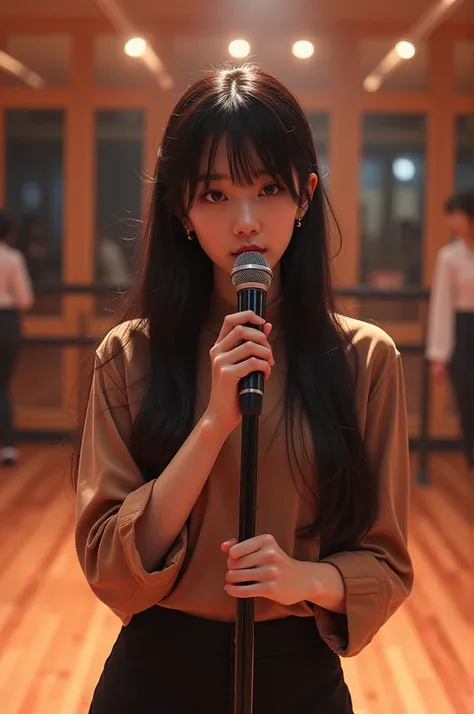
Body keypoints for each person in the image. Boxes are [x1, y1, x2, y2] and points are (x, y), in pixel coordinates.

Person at [73, 65, 413, 714]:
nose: (247, 221)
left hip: (300, 676)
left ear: (306, 196)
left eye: (267, 188)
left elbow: (386, 563)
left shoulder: (366, 359)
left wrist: (301, 578)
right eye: (216, 195)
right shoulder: (129, 354)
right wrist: (212, 425)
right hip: (156, 676)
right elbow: (111, 563)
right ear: (182, 210)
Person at [427, 188, 474, 470]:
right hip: (464, 333)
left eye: (455, 214)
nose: (451, 221)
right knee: (468, 402)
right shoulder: (449, 256)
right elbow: (442, 306)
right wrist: (439, 356)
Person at [0, 210, 34, 467]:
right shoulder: (12, 258)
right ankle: (8, 446)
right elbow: (24, 299)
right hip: (6, 322)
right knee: (2, 385)